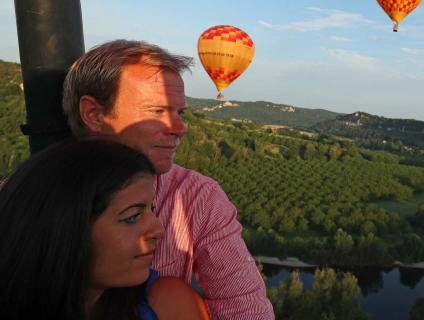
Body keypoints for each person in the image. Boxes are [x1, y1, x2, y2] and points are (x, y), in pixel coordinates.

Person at [62, 40, 274, 319]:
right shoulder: (21, 198)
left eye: (179, 113)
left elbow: (243, 303)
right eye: (157, 111)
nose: (180, 128)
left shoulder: (198, 197)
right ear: (94, 114)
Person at [0, 139, 210, 320]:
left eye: (151, 209)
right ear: (64, 228)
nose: (159, 230)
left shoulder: (169, 305)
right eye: (132, 217)